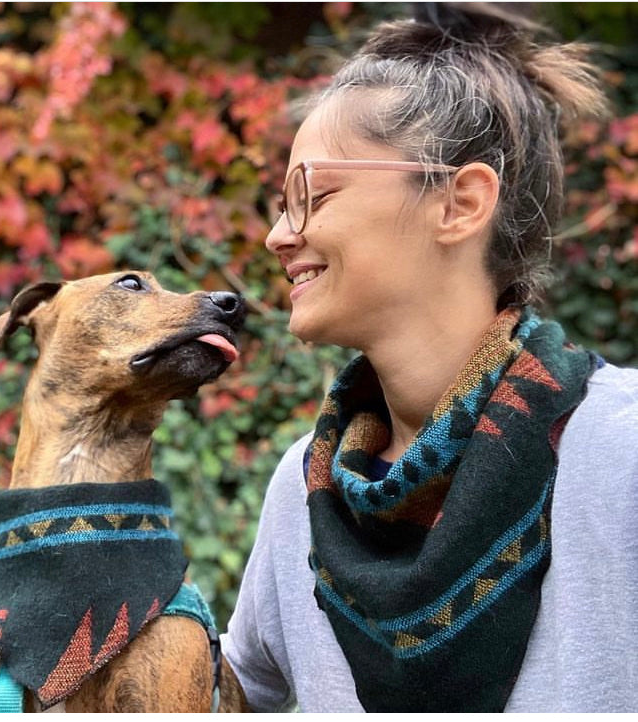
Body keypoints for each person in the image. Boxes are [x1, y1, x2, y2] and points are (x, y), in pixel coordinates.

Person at [220, 4, 638, 713]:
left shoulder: (617, 453)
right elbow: (220, 698)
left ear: (460, 202)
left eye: (311, 194)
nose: (278, 236)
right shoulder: (305, 488)